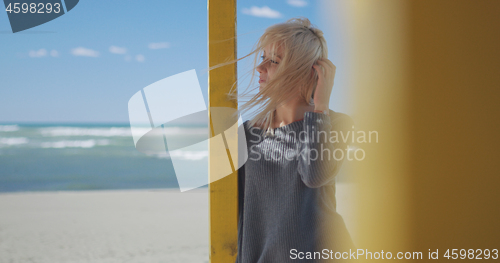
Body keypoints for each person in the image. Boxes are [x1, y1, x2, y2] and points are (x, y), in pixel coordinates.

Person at [213, 16, 356, 263]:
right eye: (262, 58)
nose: (260, 68)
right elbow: (237, 211)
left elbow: (315, 175)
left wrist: (320, 108)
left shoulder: (337, 123)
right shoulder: (247, 133)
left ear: (305, 71)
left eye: (274, 61)